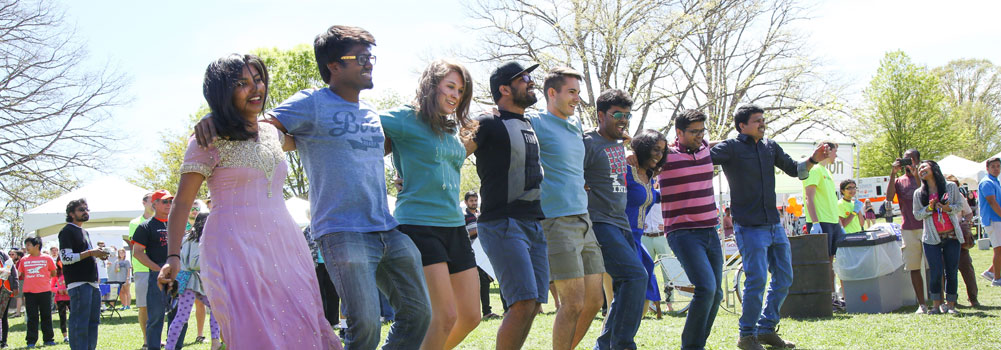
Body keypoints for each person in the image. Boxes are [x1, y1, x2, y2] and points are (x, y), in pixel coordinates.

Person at [171, 53, 345, 349]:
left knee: (301, 323)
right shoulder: (207, 139)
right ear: (221, 92)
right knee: (254, 332)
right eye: (242, 83)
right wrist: (173, 257)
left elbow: (311, 138)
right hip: (232, 248)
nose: (256, 89)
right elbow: (182, 203)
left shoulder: (272, 134)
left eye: (259, 79)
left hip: (286, 245)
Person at [381, 58, 481, 349]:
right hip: (419, 224)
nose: (455, 95)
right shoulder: (403, 118)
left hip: (454, 224)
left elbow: (447, 161)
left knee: (471, 316)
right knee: (444, 316)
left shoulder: (450, 128)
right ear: (430, 85)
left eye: (460, 91)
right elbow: (362, 130)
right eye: (450, 86)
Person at [710, 104, 828, 350]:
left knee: (784, 277)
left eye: (763, 120)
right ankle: (746, 335)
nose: (762, 124)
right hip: (749, 226)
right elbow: (704, 156)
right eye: (757, 121)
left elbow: (796, 170)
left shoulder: (770, 147)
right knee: (757, 279)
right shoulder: (731, 147)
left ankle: (766, 329)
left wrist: (813, 159)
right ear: (742, 126)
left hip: (774, 224)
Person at [468, 61, 550, 350]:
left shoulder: (529, 123)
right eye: (524, 78)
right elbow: (453, 153)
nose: (531, 82)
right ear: (504, 89)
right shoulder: (488, 122)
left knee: (534, 303)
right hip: (502, 222)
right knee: (522, 301)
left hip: (533, 223)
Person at [523, 66, 604, 350]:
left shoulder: (576, 124)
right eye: (571, 92)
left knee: (594, 302)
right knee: (572, 303)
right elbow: (504, 121)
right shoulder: (535, 121)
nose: (576, 99)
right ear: (552, 93)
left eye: (578, 93)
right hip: (556, 220)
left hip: (584, 218)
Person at [582, 89, 647, 350]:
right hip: (599, 222)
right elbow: (568, 171)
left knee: (625, 285)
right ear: (600, 115)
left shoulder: (620, 144)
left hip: (621, 223)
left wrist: (630, 143)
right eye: (617, 114)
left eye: (627, 115)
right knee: (635, 277)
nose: (624, 119)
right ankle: (622, 345)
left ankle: (605, 346)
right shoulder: (586, 141)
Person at [912, 160, 965, 314]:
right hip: (931, 238)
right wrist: (929, 207)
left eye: (924, 167)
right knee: (935, 271)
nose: (921, 170)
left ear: (933, 168)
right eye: (919, 168)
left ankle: (951, 305)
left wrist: (947, 208)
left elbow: (959, 206)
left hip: (952, 236)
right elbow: (917, 215)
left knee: (951, 271)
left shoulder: (950, 187)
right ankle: (936, 305)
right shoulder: (919, 193)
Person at [134, 190, 184, 350]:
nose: (168, 204)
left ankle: (175, 346)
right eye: (164, 201)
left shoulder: (176, 224)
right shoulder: (145, 226)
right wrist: (159, 270)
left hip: (178, 275)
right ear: (154, 204)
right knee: (156, 317)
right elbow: (137, 253)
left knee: (179, 317)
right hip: (157, 276)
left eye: (170, 201)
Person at [58, 198, 111, 350]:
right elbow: (66, 258)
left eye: (87, 209)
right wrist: (90, 253)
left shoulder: (84, 231)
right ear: (71, 214)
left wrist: (97, 254)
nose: (86, 212)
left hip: (92, 283)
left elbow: (86, 255)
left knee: (93, 322)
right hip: (78, 283)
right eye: (81, 209)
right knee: (79, 322)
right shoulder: (66, 231)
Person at [165, 213, 222, 350]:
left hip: (193, 281)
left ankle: (215, 342)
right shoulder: (198, 238)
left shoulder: (190, 237)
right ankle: (170, 346)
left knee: (216, 308)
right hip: (191, 281)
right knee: (182, 317)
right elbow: (194, 262)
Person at [624, 130, 665, 313]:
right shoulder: (626, 170)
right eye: (655, 149)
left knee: (647, 274)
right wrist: (627, 149)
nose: (659, 155)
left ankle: (624, 335)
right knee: (633, 284)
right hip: (621, 236)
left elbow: (654, 197)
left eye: (662, 151)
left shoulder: (649, 177)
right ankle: (612, 337)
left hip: (637, 239)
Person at [884, 149, 930, 313]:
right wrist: (892, 174)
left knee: (933, 265)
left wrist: (916, 174)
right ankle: (922, 304)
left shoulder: (925, 178)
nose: (906, 163)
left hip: (926, 226)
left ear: (917, 161)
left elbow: (924, 194)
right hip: (908, 228)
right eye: (904, 160)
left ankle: (939, 300)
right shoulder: (899, 181)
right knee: (914, 266)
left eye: (910, 160)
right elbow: (889, 198)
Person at [464, 191, 501, 320]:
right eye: (471, 201)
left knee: (493, 278)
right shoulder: (464, 216)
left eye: (475, 200)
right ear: (466, 202)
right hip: (473, 254)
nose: (474, 203)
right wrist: (479, 230)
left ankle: (503, 309)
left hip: (486, 252)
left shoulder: (481, 214)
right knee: (482, 283)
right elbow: (464, 234)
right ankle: (486, 311)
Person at [19, 236, 58, 348]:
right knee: (32, 317)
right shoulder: (24, 260)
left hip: (45, 291)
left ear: (37, 246)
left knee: (46, 315)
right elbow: (21, 274)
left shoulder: (47, 258)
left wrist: (43, 278)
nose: (26, 247)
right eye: (26, 245)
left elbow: (54, 272)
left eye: (28, 245)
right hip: (29, 292)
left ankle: (48, 339)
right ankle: (31, 341)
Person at [945, 174, 979, 306]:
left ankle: (973, 298)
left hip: (959, 238)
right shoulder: (937, 196)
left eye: (954, 184)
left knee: (966, 268)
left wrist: (964, 222)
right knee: (947, 271)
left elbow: (969, 213)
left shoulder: (959, 197)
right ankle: (951, 299)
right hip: (944, 238)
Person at [128, 192, 154, 346]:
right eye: (153, 201)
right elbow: (136, 247)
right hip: (142, 269)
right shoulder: (135, 223)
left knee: (157, 307)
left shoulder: (163, 221)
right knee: (143, 306)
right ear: (144, 203)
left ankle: (155, 338)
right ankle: (146, 340)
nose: (156, 204)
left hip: (159, 268)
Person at [979, 157, 1001, 287]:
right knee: (998, 250)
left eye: (998, 166)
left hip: (997, 219)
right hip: (993, 220)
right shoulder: (987, 182)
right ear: (987, 168)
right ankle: (997, 279)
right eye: (993, 166)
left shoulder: (995, 181)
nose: (996, 168)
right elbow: (992, 202)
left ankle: (990, 272)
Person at [0, 249, 17, 349]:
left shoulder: (2, 254)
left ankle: (3, 341)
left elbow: (12, 270)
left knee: (3, 316)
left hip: (3, 290)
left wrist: (15, 285)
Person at [52, 264, 69, 343]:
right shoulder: (56, 273)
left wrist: (68, 290)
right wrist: (58, 290)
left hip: (70, 297)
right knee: (62, 317)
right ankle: (65, 336)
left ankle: (75, 333)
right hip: (60, 298)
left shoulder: (70, 271)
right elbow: (51, 286)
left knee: (75, 315)